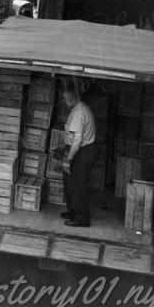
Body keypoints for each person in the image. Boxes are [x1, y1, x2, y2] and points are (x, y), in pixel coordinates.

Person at [61, 87, 97, 228]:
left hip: (82, 151)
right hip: (81, 150)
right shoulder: (80, 109)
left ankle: (82, 218)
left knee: (78, 185)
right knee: (70, 182)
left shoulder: (79, 113)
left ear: (73, 97)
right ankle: (73, 211)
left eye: (65, 98)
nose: (63, 101)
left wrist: (68, 160)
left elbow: (77, 140)